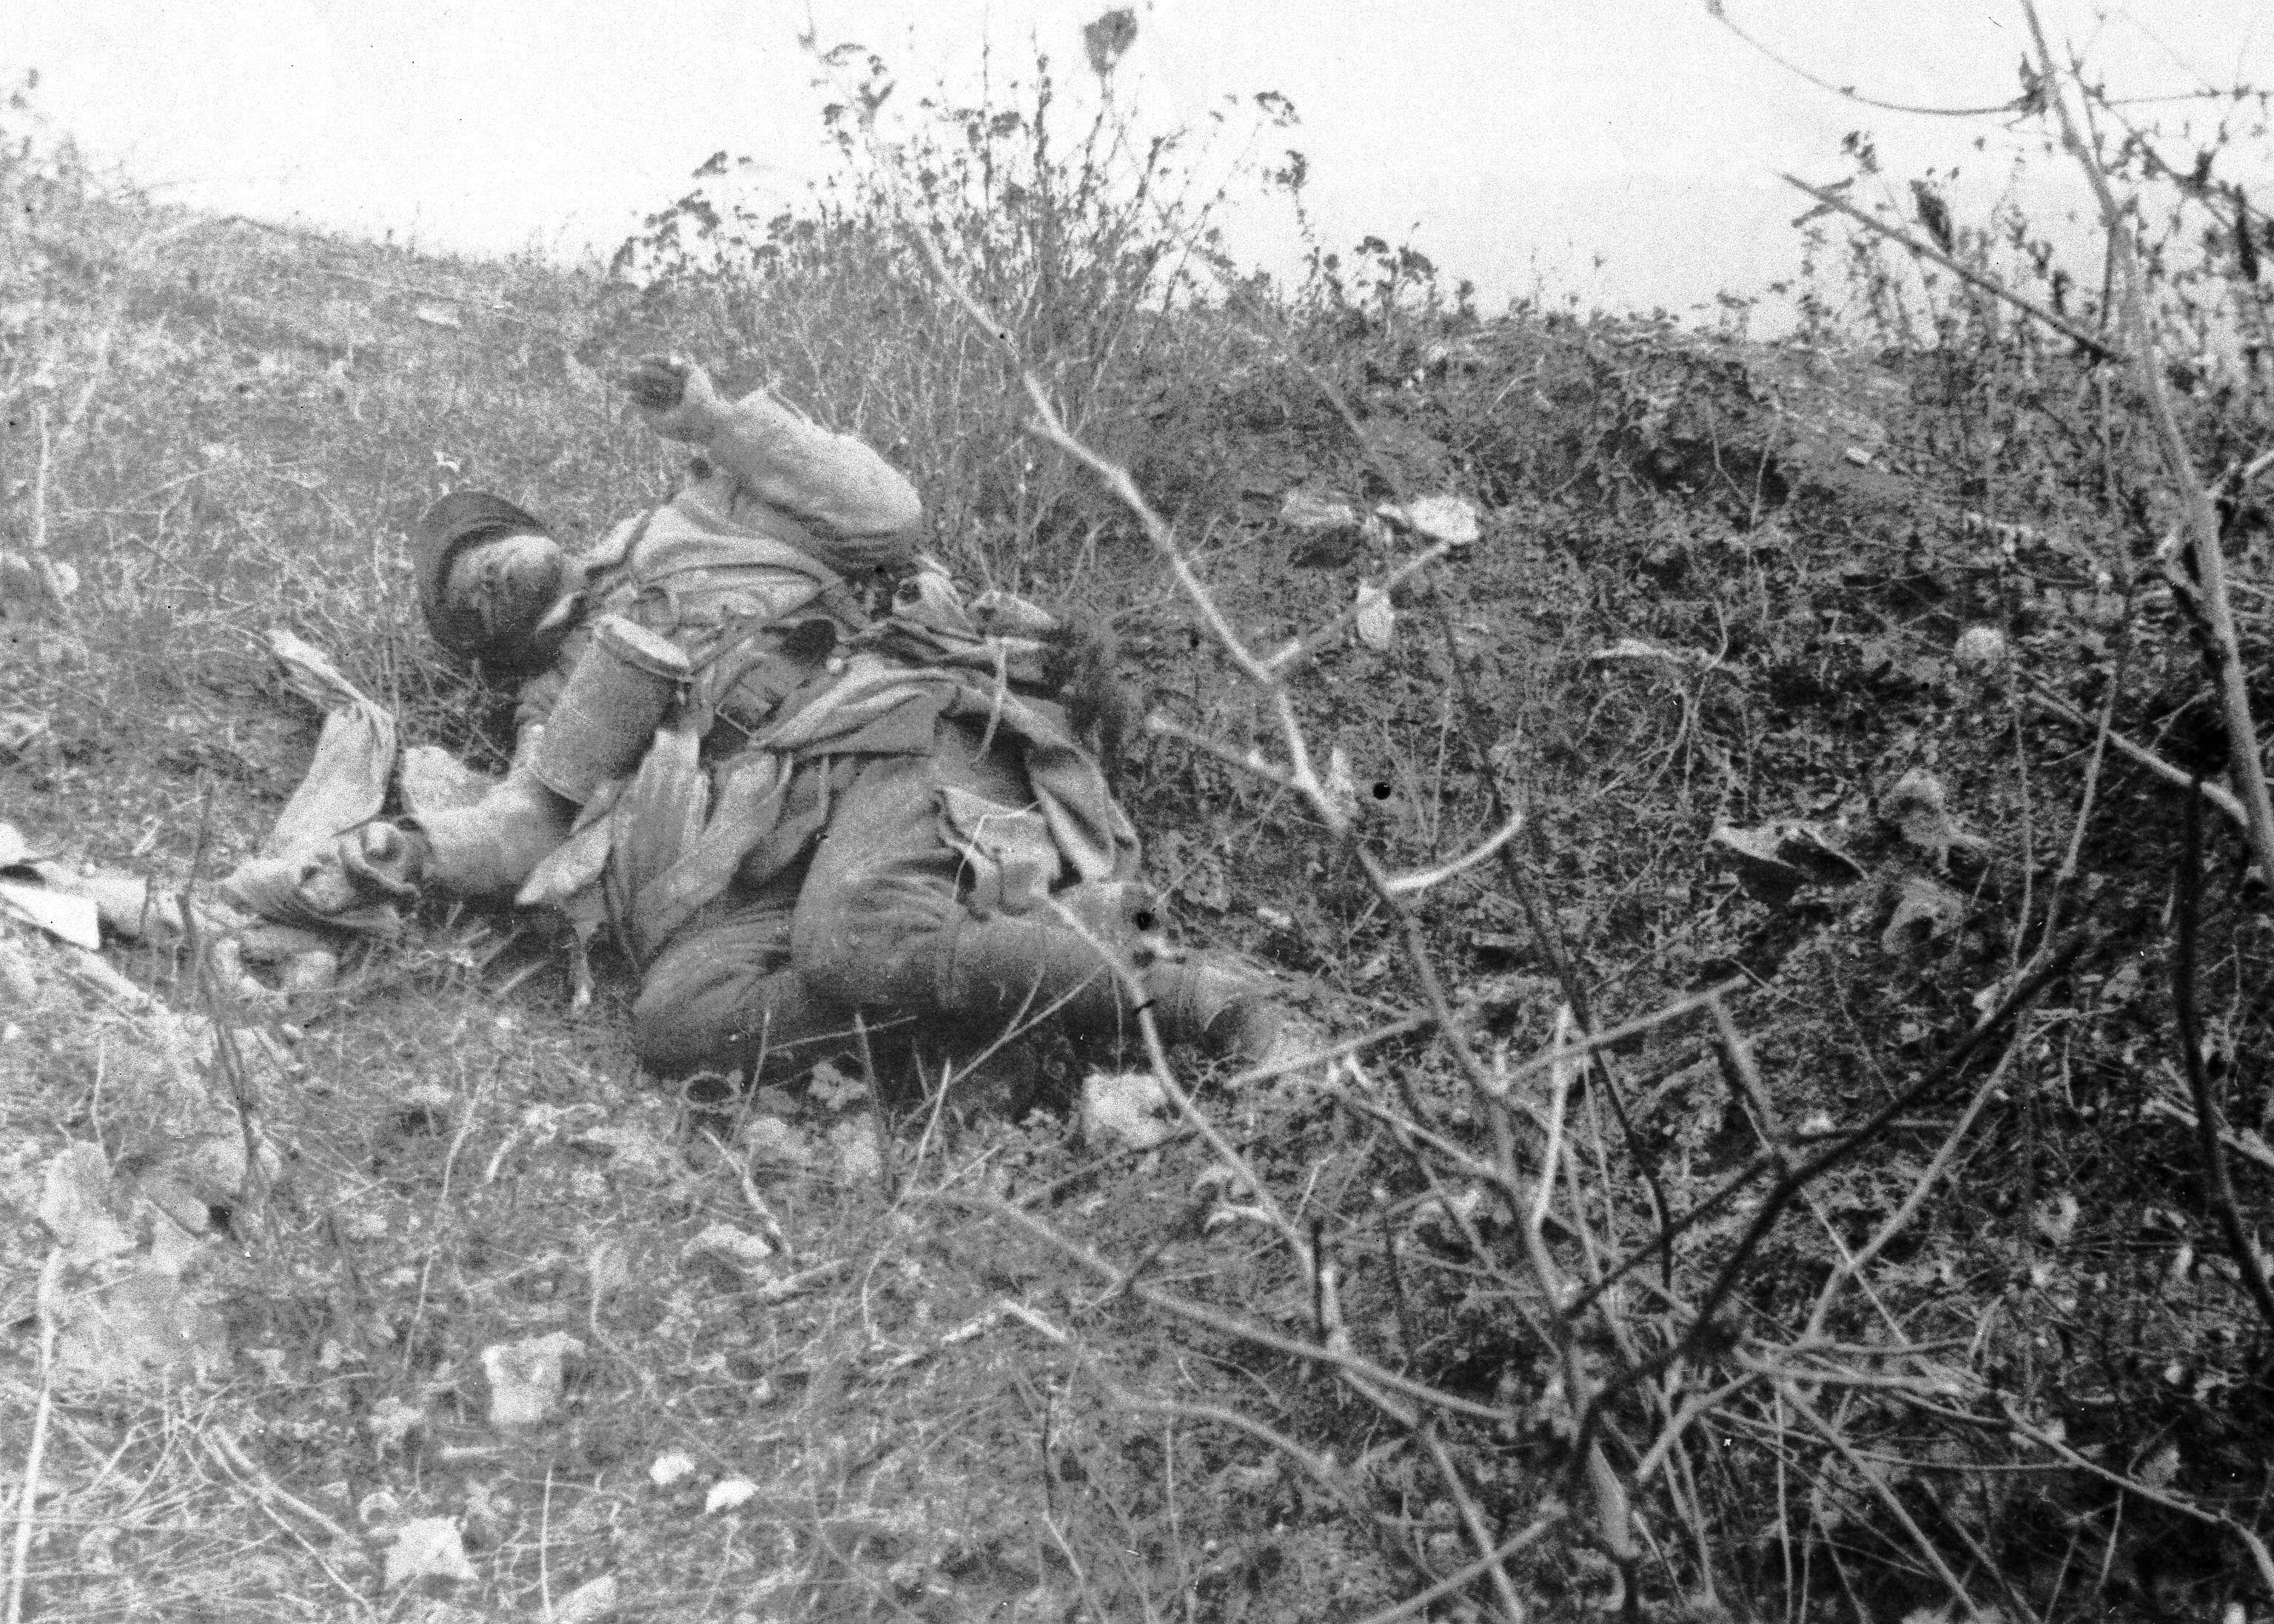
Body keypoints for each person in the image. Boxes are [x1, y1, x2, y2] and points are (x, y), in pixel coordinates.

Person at [291, 355, 1296, 1090]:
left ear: (532, 530)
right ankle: (1017, 976)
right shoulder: (554, 699)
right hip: (785, 827)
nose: (484, 581)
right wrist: (413, 848)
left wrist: (718, 422)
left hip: (908, 725)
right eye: (467, 603)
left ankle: (1205, 998)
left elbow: (891, 516)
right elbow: (527, 824)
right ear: (493, 644)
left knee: (851, 936)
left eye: (486, 552)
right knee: (680, 1021)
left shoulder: (693, 519)